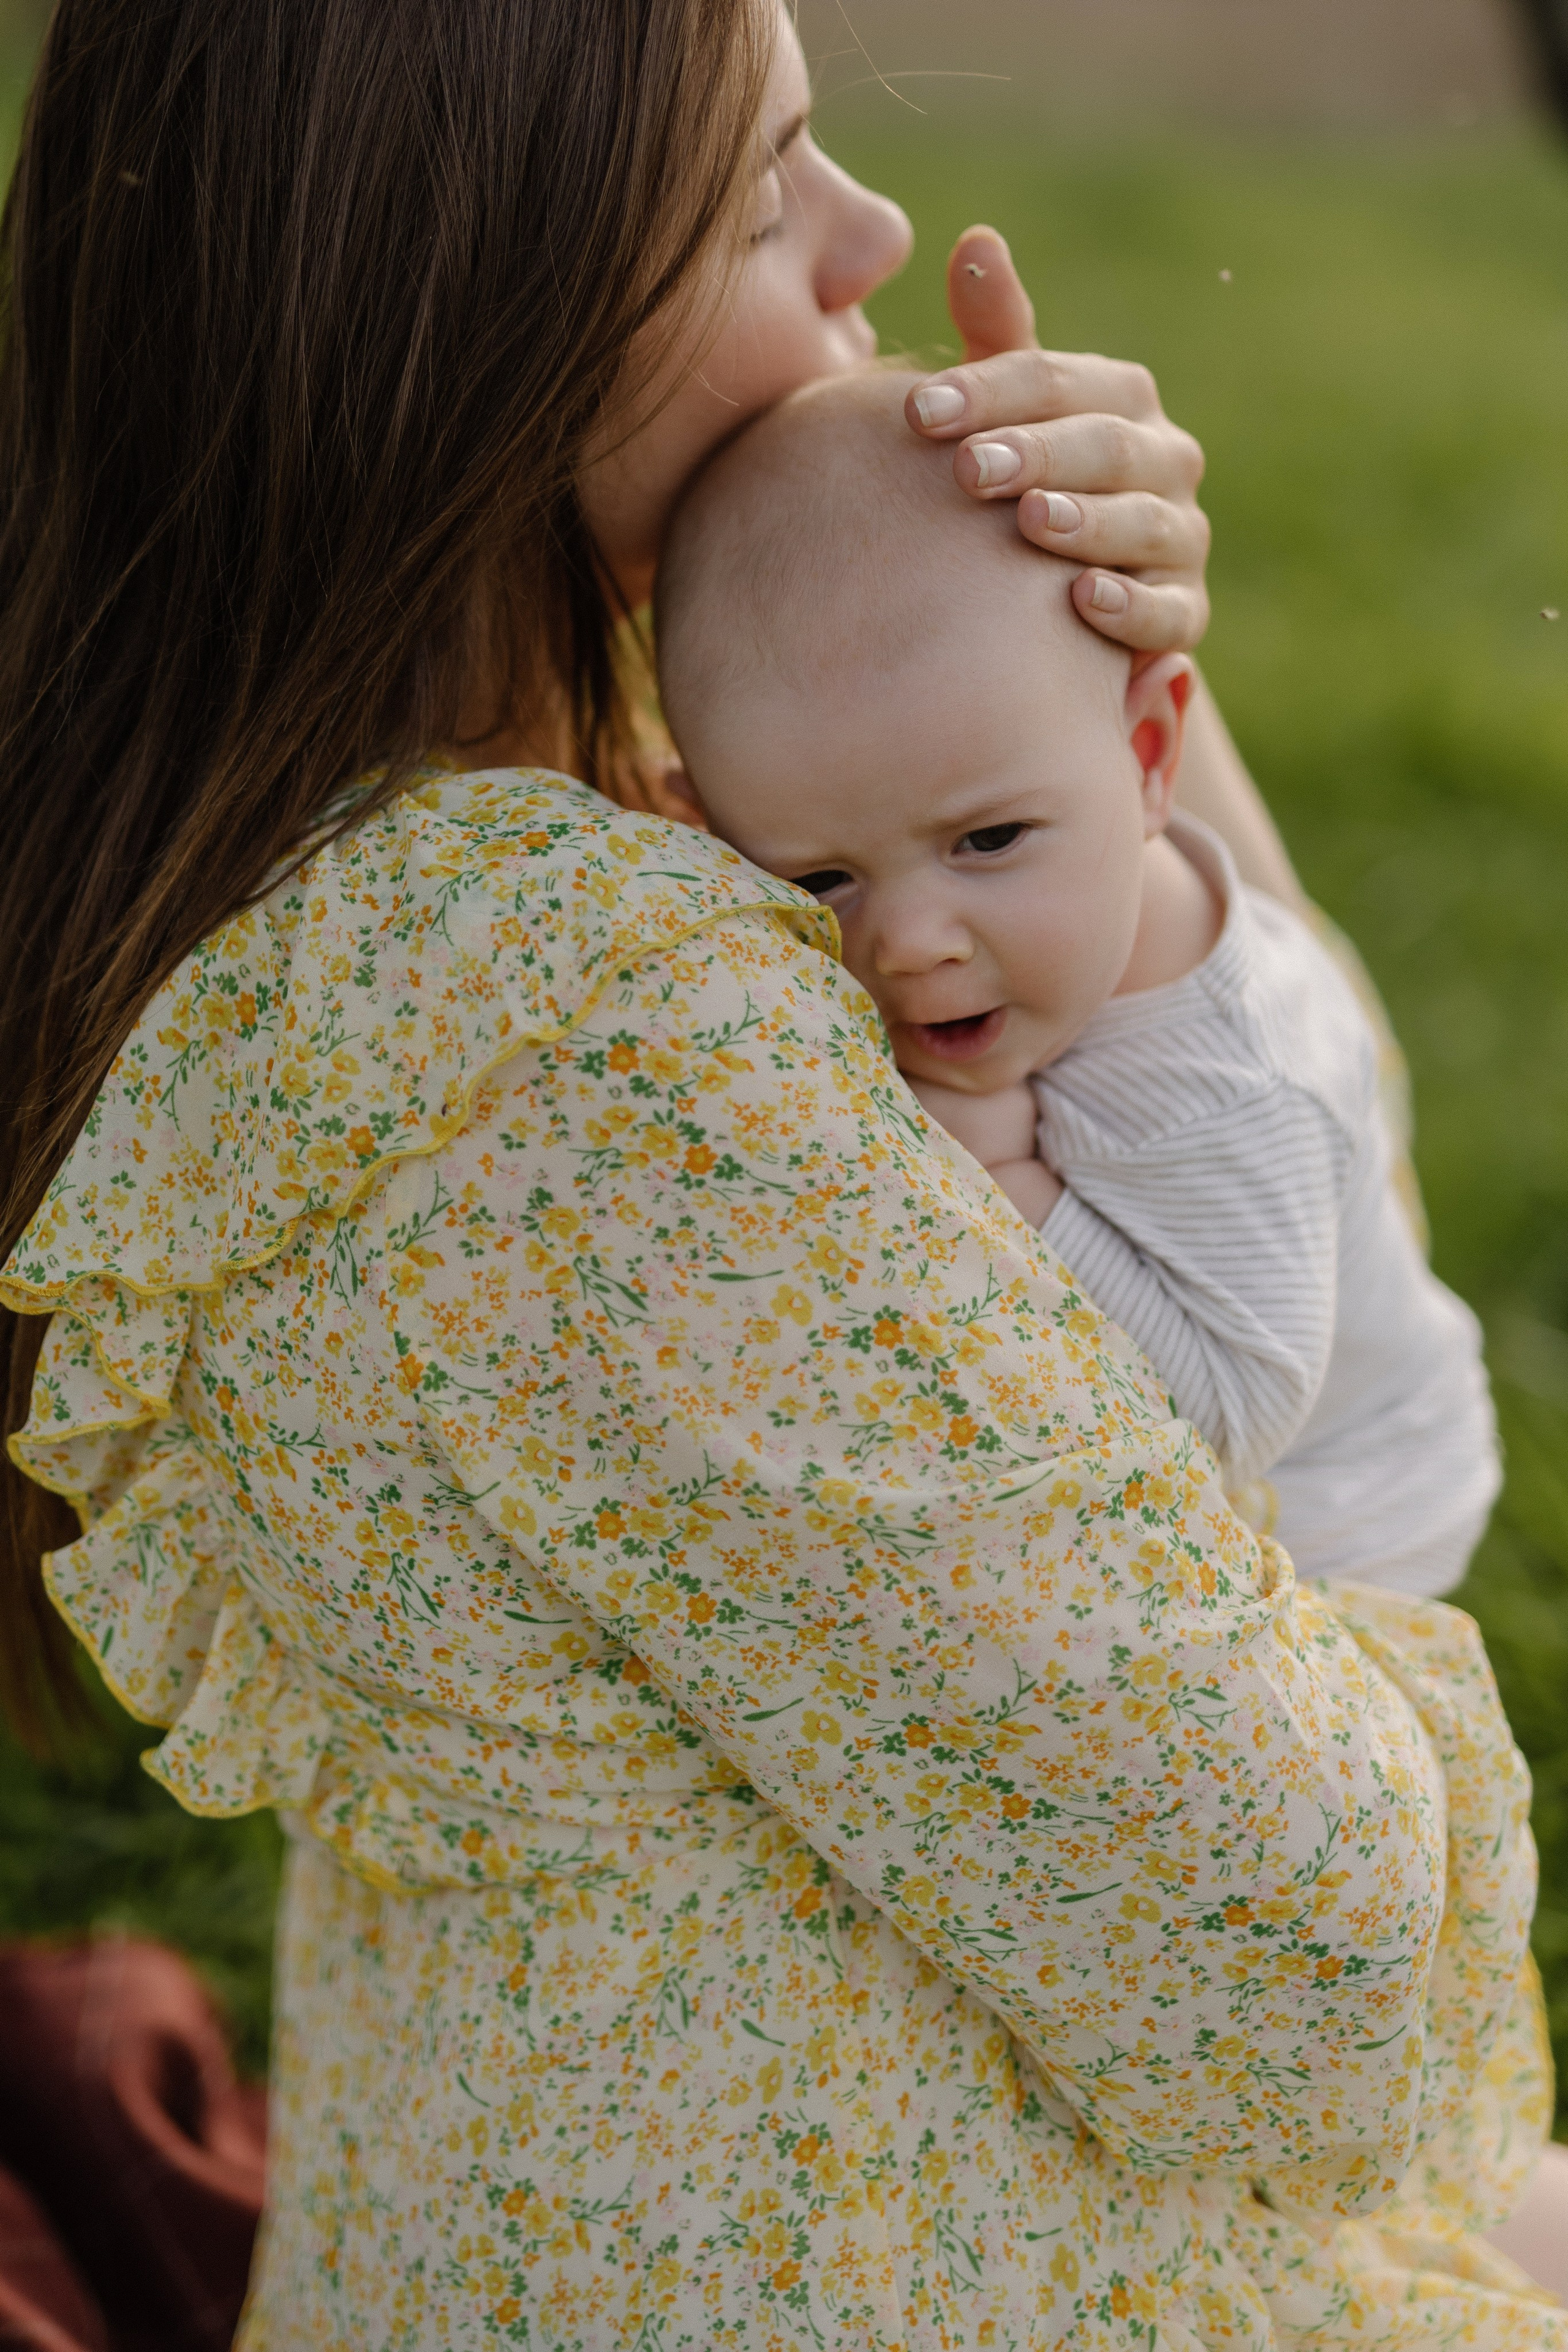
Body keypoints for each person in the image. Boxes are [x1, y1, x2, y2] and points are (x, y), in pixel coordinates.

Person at [0, 1, 1558, 2345]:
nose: (874, 231)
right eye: (756, 200)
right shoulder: (608, 1037)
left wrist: (1105, 703)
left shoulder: (390, 886)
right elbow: (1296, 1963)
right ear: (492, 334)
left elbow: (1309, 1247)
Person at [654, 366, 1501, 1602]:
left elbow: (1220, 1410)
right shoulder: (1016, 881)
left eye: (987, 843)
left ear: (1147, 754)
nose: (909, 944)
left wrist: (1001, 1178)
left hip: (1343, 1524)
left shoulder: (1225, 1071)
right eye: (821, 876)